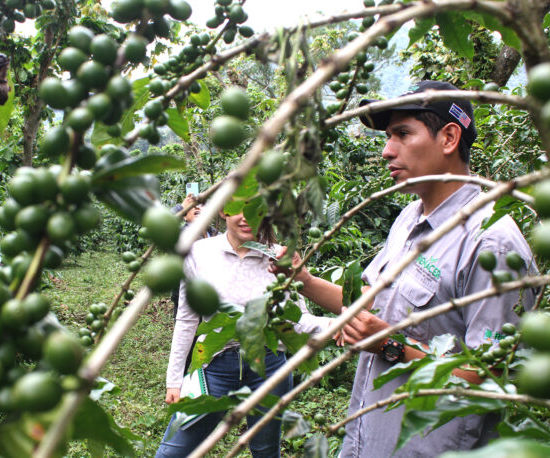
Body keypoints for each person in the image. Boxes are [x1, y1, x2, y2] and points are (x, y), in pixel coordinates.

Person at [294, 81, 537, 457]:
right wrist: (303, 281)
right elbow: (371, 308)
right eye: (388, 136)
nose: (387, 151)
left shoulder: (492, 243)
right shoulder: (409, 217)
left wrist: (393, 346)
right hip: (368, 436)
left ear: (449, 138)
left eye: (402, 134)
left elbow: (489, 379)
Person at [155, 213, 332, 457]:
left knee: (265, 451)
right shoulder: (198, 252)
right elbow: (187, 319)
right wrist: (174, 380)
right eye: (240, 205)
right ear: (224, 210)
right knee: (173, 451)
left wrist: (341, 323)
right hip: (213, 366)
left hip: (270, 368)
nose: (247, 216)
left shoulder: (280, 257)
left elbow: (297, 319)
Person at [170, 194, 219, 319]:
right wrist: (180, 207)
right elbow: (161, 226)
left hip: (212, 296)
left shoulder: (216, 234)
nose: (197, 208)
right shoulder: (179, 234)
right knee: (188, 333)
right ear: (184, 216)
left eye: (202, 205)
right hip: (186, 297)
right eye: (193, 207)